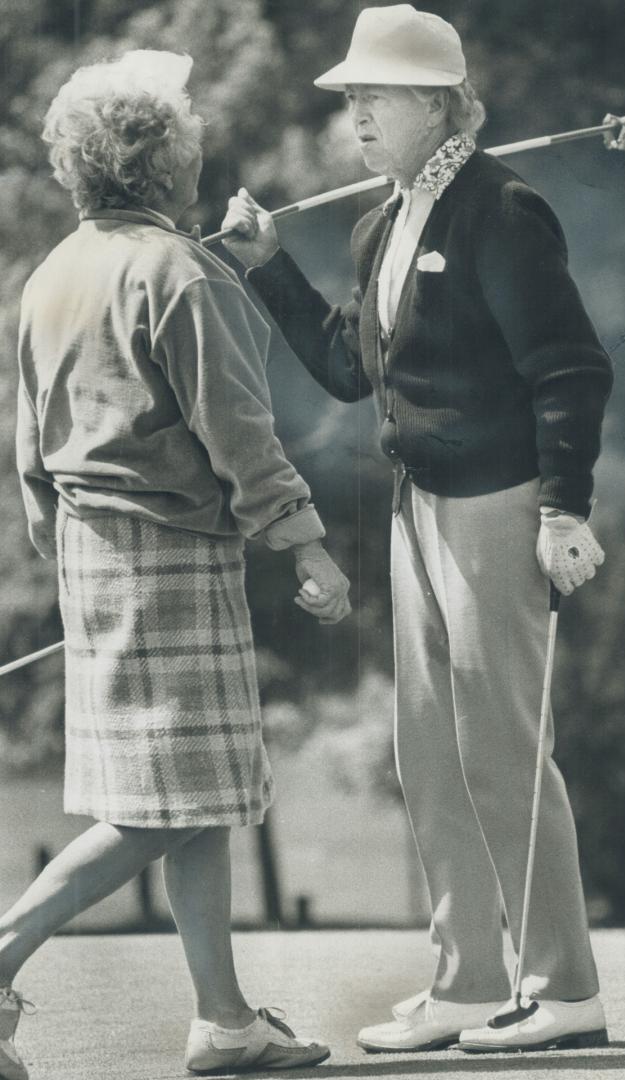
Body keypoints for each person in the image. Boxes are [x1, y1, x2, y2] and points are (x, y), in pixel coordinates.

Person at [221, 3, 613, 1056]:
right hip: (417, 507)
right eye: (350, 96)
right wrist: (267, 267)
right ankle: (465, 979)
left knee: (501, 748)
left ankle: (563, 986)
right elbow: (351, 370)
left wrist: (563, 506)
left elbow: (571, 368)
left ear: (439, 105)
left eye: (374, 94)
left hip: (500, 505)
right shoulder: (381, 221)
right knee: (431, 753)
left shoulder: (502, 209)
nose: (353, 113)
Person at [3, 49, 349, 1080]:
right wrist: (308, 545)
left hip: (89, 551)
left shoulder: (51, 271)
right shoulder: (179, 271)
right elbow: (241, 431)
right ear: (168, 162)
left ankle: (224, 1021)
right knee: (171, 803)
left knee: (189, 797)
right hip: (170, 555)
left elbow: (27, 446)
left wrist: (56, 542)